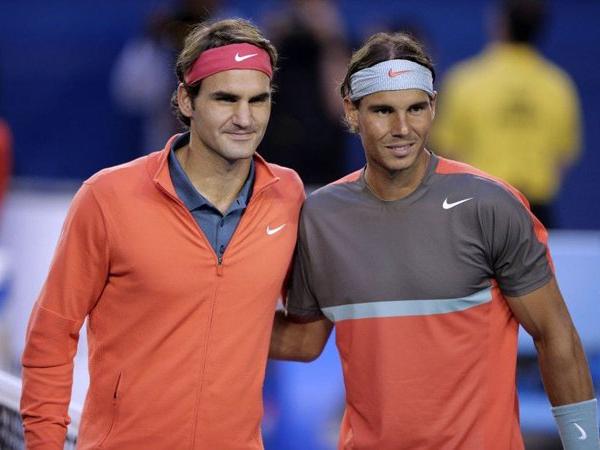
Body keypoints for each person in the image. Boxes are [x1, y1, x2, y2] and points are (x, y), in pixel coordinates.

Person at [270, 31, 600, 450]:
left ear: (434, 107)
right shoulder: (320, 217)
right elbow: (303, 340)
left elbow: (555, 334)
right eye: (383, 110)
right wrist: (202, 315)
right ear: (351, 110)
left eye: (416, 108)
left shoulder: (490, 205)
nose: (402, 128)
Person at [21, 18, 304, 450]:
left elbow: (304, 335)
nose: (245, 118)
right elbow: (51, 338)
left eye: (258, 100)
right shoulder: (107, 197)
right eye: (226, 99)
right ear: (186, 100)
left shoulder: (288, 195)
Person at [430, 0, 581, 228]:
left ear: (500, 24)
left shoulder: (465, 81)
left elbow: (445, 149)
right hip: (535, 212)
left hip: (478, 206)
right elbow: (564, 156)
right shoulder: (558, 85)